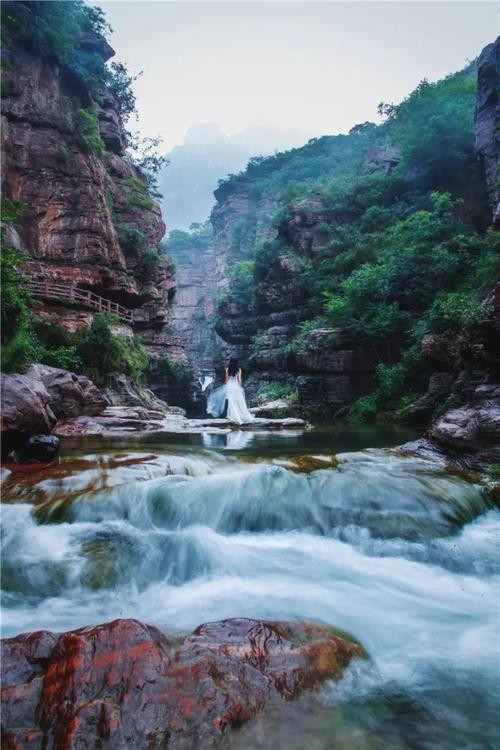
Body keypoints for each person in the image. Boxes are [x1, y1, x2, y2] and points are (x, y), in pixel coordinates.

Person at [207, 358, 255, 425]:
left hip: (230, 386)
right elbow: (239, 380)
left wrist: (225, 385)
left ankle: (232, 416)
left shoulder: (228, 369)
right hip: (236, 386)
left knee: (231, 401)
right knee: (239, 401)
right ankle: (241, 416)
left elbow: (227, 379)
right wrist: (240, 387)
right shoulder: (239, 370)